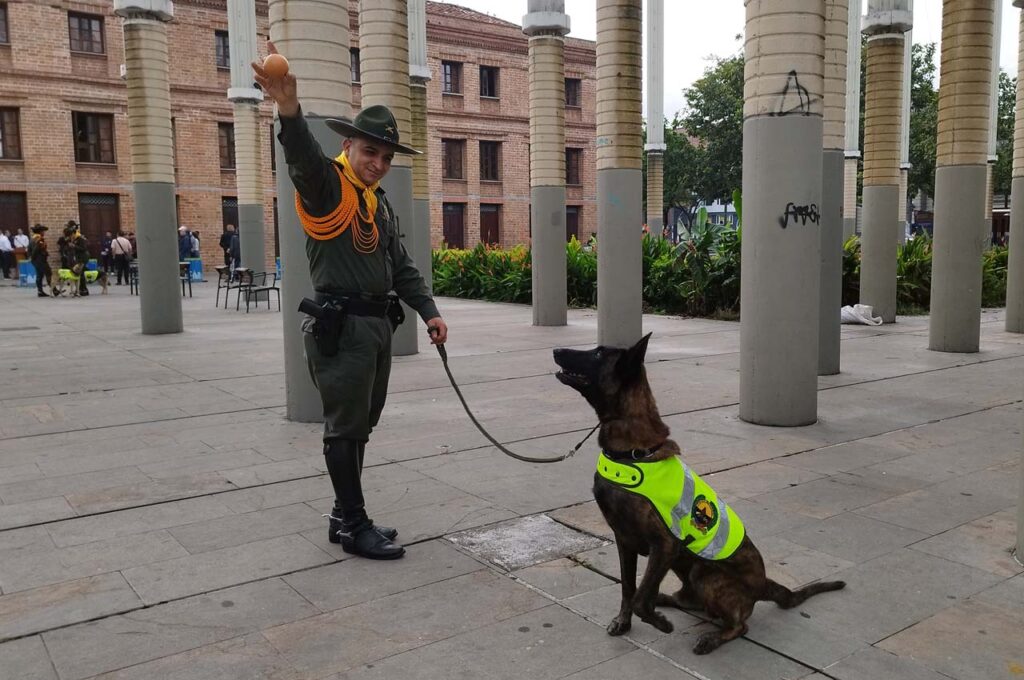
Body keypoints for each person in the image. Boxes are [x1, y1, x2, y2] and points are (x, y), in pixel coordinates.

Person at [254, 43, 448, 560]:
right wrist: (289, 112)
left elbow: (401, 265)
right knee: (344, 427)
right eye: (370, 153)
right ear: (350, 147)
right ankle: (355, 525)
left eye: (385, 157)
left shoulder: (376, 203)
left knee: (362, 424)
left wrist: (428, 311)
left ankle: (345, 517)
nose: (378, 164)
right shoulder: (329, 189)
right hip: (341, 327)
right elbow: (303, 160)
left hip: (374, 327)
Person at [29, 224, 53, 297]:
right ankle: (54, 290)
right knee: (49, 273)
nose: (44, 232)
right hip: (40, 260)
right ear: (40, 231)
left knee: (39, 275)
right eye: (43, 231)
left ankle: (40, 291)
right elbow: (36, 250)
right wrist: (34, 257)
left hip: (36, 260)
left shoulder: (32, 239)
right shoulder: (39, 239)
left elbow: (29, 250)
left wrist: (32, 259)